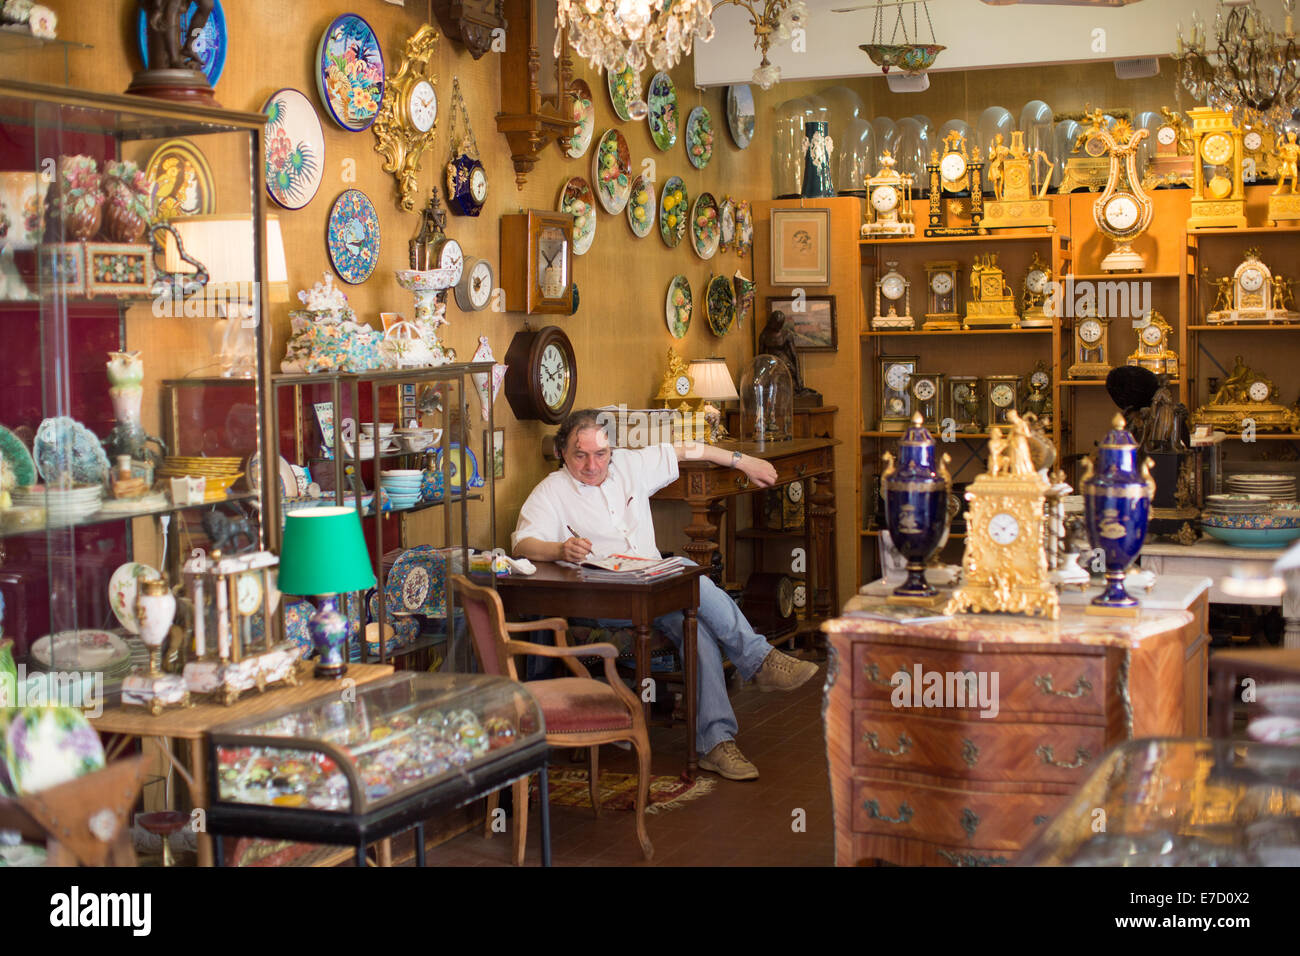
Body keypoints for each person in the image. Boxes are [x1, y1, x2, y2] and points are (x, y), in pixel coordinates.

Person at [512, 409, 821, 781]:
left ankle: (717, 743)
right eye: (581, 455)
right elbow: (522, 545)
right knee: (695, 584)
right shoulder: (551, 491)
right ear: (563, 452)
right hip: (606, 603)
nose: (593, 465)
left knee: (697, 624)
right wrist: (560, 549)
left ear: (611, 449)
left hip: (655, 591)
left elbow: (690, 450)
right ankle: (758, 661)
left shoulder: (629, 465)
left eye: (601, 454)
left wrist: (744, 461)